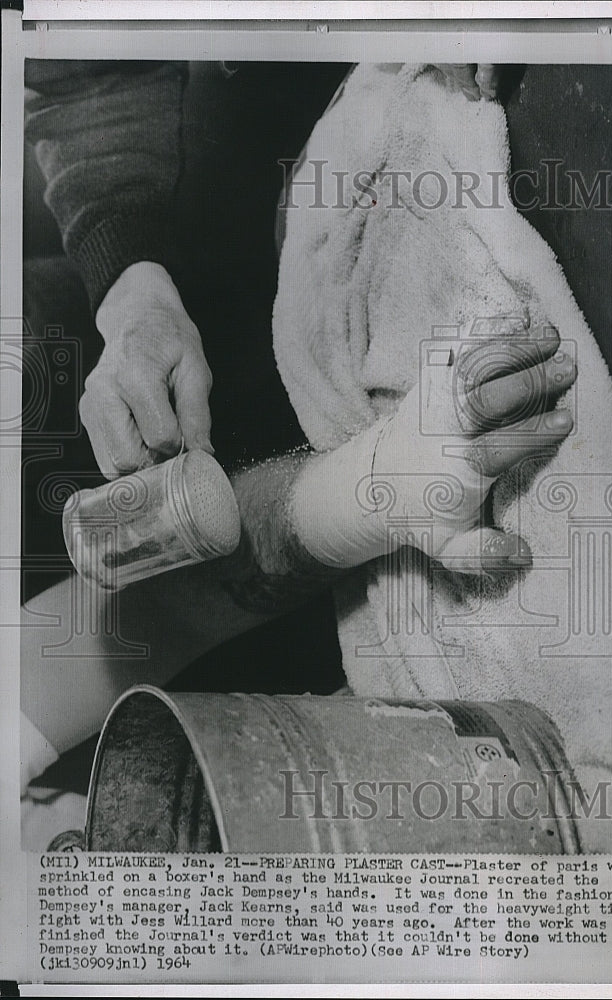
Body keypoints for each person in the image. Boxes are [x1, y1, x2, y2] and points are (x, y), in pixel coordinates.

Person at [20, 60, 575, 833]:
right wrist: (375, 486)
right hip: (216, 549)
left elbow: (87, 71)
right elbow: (147, 622)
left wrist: (131, 291)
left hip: (95, 344)